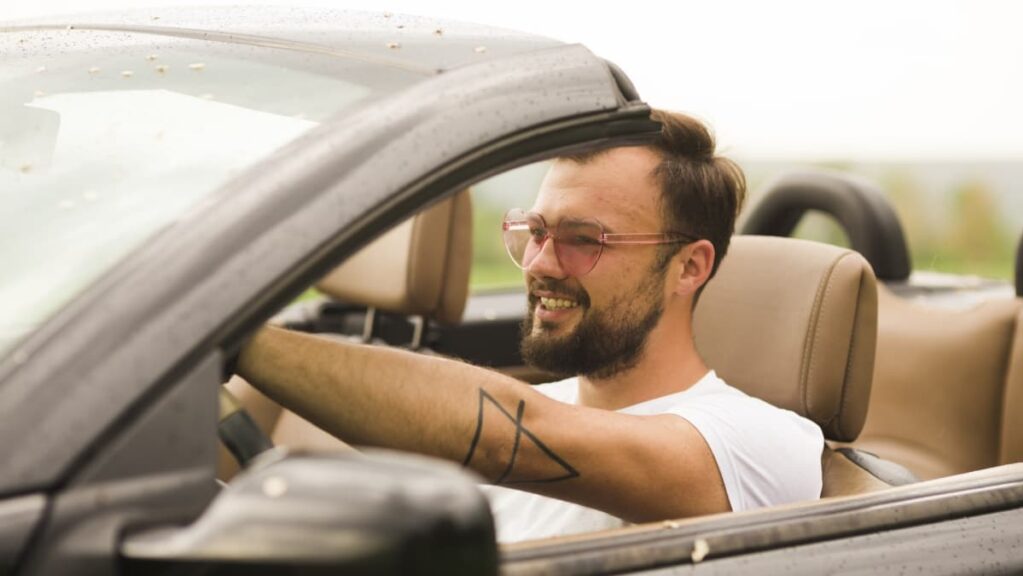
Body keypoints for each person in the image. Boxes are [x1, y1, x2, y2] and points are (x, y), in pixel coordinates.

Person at [234, 110, 824, 543]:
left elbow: (502, 436)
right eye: (536, 231)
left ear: (689, 267)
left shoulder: (759, 442)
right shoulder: (547, 404)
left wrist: (239, 341)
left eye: (583, 240)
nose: (540, 263)